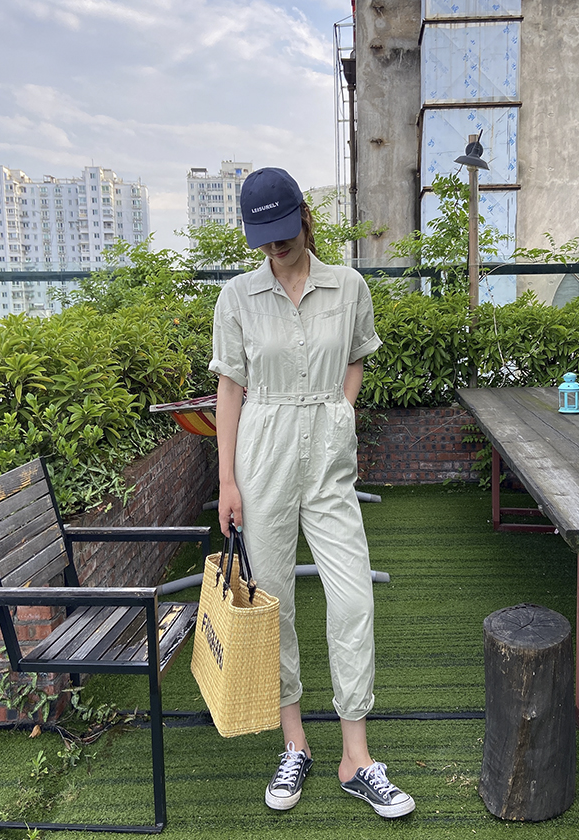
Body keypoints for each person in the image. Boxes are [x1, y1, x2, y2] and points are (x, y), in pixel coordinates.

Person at [210, 167, 415, 819]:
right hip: (262, 449)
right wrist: (227, 480)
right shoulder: (238, 298)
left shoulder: (348, 286)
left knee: (353, 599)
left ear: (304, 216)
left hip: (327, 455)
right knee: (273, 605)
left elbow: (357, 354)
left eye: (282, 233)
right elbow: (230, 389)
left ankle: (356, 756)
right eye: (262, 239)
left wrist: (341, 412)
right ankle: (294, 742)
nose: (274, 248)